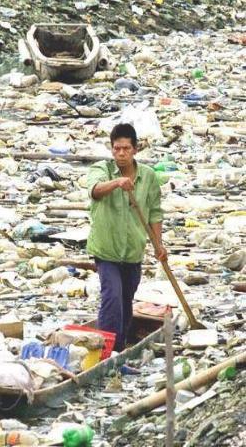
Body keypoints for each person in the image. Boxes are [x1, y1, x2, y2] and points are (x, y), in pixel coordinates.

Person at [87, 123, 167, 351]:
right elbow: (94, 190)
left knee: (125, 300)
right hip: (106, 249)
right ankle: (107, 351)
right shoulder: (101, 169)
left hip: (132, 251)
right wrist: (117, 183)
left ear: (135, 149)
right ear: (111, 150)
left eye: (126, 149)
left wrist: (158, 244)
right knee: (111, 298)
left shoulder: (149, 177)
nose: (121, 154)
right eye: (117, 149)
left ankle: (119, 346)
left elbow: (154, 212)